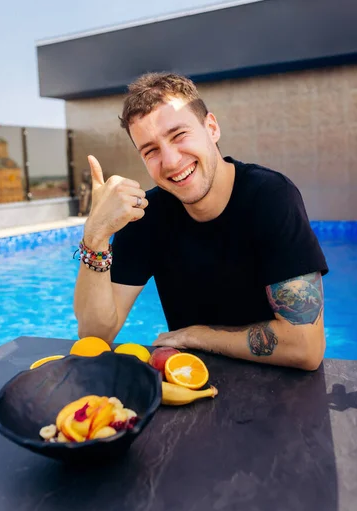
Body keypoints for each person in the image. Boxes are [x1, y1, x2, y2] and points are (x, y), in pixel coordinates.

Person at [74, 72, 328, 371]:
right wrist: (96, 235)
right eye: (151, 150)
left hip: (278, 391)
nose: (170, 161)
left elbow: (307, 347)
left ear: (211, 127)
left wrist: (199, 336)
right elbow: (94, 336)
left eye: (179, 135)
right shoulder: (145, 215)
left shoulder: (270, 196)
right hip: (189, 383)